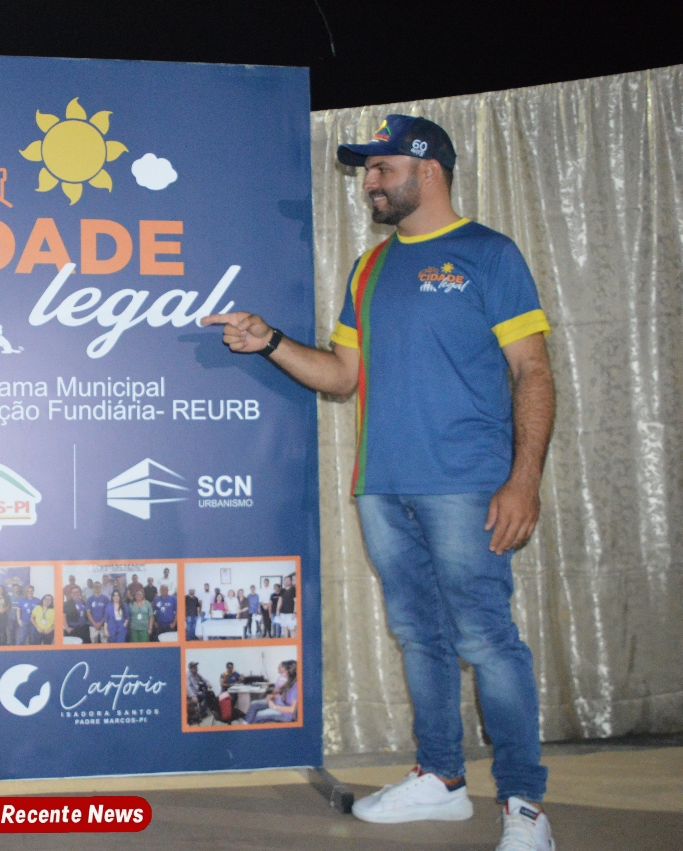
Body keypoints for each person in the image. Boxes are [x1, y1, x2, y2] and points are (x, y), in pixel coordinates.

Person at [203, 114, 555, 850]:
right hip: (382, 486)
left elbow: (533, 370)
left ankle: (525, 804)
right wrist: (269, 341)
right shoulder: (368, 269)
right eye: (367, 170)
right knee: (418, 636)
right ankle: (442, 780)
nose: (368, 182)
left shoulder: (489, 254)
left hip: (467, 484)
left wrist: (523, 480)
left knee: (486, 638)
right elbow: (341, 376)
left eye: (380, 168)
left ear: (427, 170)